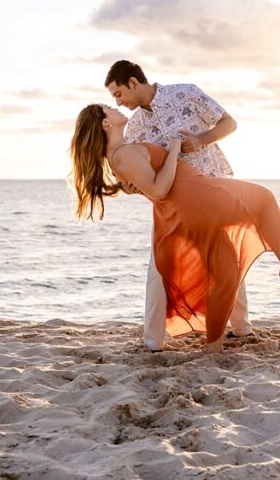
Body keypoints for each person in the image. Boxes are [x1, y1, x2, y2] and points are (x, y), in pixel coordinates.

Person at [70, 103, 280, 353]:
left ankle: (214, 345)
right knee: (263, 198)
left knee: (226, 270)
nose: (116, 106)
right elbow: (160, 190)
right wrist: (173, 150)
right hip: (197, 197)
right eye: (108, 107)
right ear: (105, 124)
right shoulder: (122, 154)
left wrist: (130, 185)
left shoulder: (120, 155)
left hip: (190, 207)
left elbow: (150, 188)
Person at [104, 60, 250, 351]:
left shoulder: (186, 93)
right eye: (114, 99)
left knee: (225, 261)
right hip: (173, 203)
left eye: (119, 93)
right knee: (159, 265)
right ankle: (152, 341)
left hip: (212, 189)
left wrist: (200, 139)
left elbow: (229, 123)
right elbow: (144, 174)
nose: (118, 101)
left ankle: (241, 328)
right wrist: (131, 188)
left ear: (133, 82)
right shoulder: (134, 128)